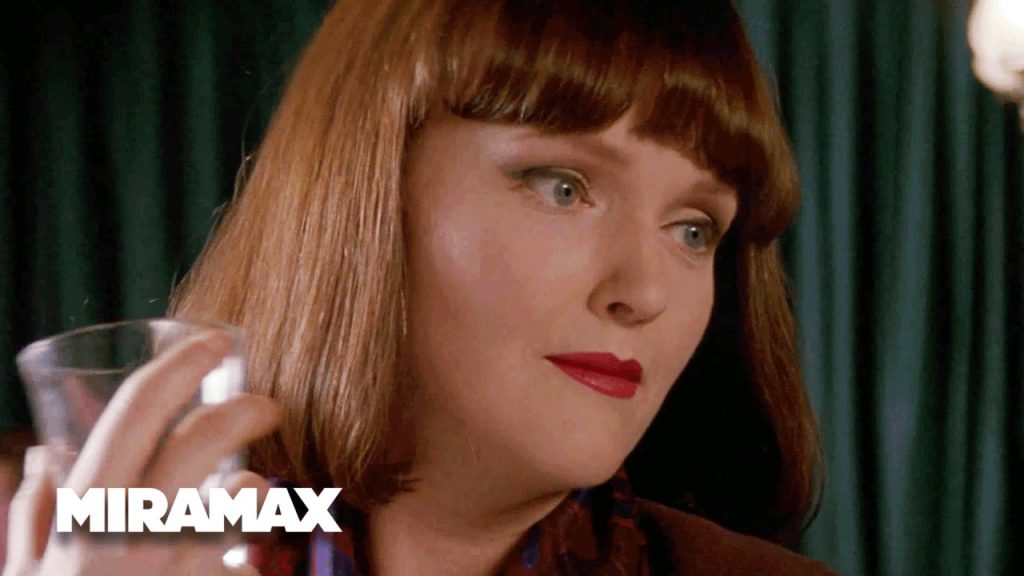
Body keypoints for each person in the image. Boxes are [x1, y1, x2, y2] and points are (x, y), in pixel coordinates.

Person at [4, 0, 838, 574]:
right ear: (364, 197)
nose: (645, 291)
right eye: (563, 187)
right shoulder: (69, 538)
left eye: (693, 230)